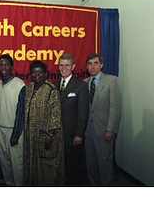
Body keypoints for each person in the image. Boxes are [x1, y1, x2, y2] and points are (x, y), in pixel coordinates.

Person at [24, 60, 65, 186]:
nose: (37, 75)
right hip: (31, 137)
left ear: (45, 73)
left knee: (47, 169)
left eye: (40, 72)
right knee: (32, 166)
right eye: (34, 72)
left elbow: (55, 114)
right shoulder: (29, 87)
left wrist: (50, 136)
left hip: (46, 137)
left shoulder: (51, 90)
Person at [84, 53, 122, 186]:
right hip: (88, 132)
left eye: (95, 63)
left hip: (104, 131)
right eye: (89, 64)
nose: (92, 66)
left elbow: (115, 108)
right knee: (91, 164)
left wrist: (111, 130)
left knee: (104, 163)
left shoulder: (112, 81)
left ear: (101, 65)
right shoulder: (84, 83)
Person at [54, 53, 89, 186]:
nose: (64, 68)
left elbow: (83, 113)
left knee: (73, 169)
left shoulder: (81, 86)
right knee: (59, 168)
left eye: (67, 65)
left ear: (73, 67)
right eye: (61, 65)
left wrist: (79, 134)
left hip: (73, 136)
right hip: (57, 136)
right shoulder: (54, 84)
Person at [0, 54, 25, 186]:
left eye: (6, 64)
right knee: (4, 163)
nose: (3, 67)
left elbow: (21, 112)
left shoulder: (20, 84)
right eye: (1, 64)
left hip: (14, 131)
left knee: (17, 164)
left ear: (12, 67)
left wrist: (16, 135)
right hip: (0, 130)